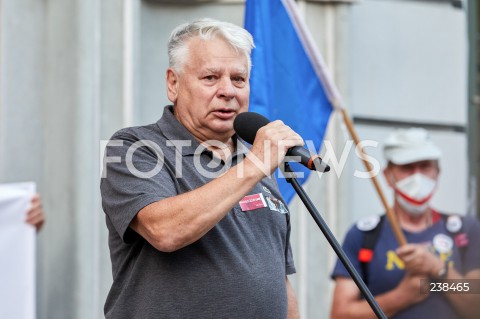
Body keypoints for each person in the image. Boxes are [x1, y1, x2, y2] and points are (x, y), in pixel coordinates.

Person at [101, 18, 301, 319]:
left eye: (239, 79)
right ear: (173, 83)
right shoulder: (135, 147)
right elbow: (165, 231)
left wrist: (255, 164)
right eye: (210, 78)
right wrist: (255, 165)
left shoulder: (255, 165)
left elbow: (278, 281)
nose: (228, 91)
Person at [330, 128, 480, 319]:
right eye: (407, 168)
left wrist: (438, 270)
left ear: (437, 172)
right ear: (387, 175)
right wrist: (400, 297)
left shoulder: (464, 231)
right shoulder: (363, 235)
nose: (417, 176)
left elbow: (476, 304)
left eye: (425, 166)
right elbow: (340, 314)